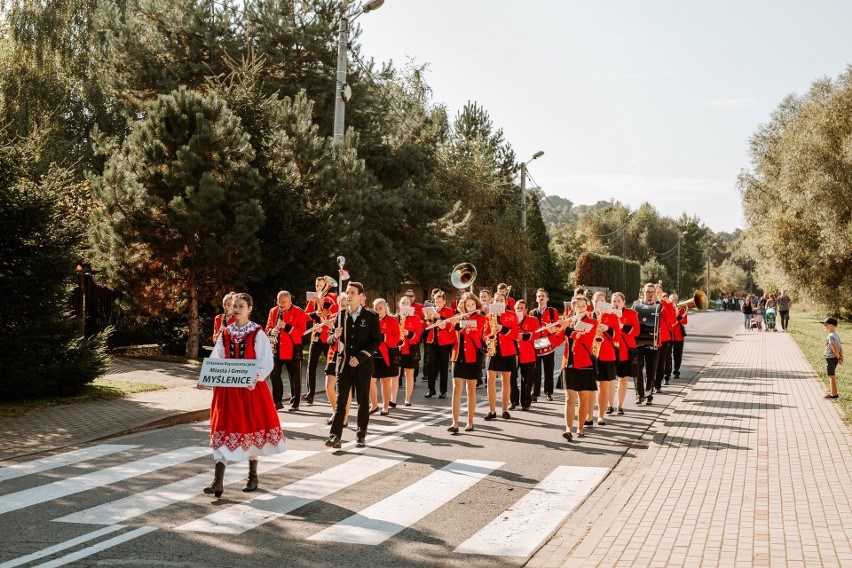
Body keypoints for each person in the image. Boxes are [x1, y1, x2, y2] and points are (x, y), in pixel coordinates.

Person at [201, 293, 285, 497]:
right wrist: (207, 377)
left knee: (251, 429)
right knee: (221, 429)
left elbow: (266, 362)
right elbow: (217, 357)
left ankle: (252, 476)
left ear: (249, 309)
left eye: (241, 306)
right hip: (227, 391)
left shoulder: (257, 333)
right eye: (234, 306)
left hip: (250, 391)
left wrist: (255, 379)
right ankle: (218, 481)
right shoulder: (226, 332)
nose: (236, 309)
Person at [325, 282, 382, 449]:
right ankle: (335, 436)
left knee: (363, 401)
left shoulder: (371, 316)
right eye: (347, 292)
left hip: (363, 366)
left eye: (352, 293)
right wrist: (334, 337)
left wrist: (361, 357)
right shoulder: (340, 315)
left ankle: (360, 435)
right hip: (343, 366)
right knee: (340, 402)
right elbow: (329, 340)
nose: (348, 296)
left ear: (361, 296)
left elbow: (376, 341)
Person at [560, 295, 598, 441]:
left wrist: (567, 330)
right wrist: (551, 332)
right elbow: (559, 338)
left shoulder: (592, 322)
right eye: (578, 306)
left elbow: (585, 338)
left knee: (583, 399)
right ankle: (568, 429)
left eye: (583, 306)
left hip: (585, 364)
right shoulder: (569, 321)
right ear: (573, 308)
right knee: (570, 398)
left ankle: (580, 428)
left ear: (587, 307)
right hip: (569, 364)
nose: (581, 309)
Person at [447, 293, 487, 433]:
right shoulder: (459, 318)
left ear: (476, 305)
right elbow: (451, 337)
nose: (470, 308)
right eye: (467, 305)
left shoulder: (480, 318)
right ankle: (455, 422)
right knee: (456, 388)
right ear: (463, 306)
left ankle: (470, 422)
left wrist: (458, 325)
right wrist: (445, 325)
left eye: (472, 305)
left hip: (473, 356)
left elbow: (474, 333)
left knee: (471, 389)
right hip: (458, 356)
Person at [265, 291, 307, 411]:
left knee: (294, 377)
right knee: (274, 375)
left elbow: (302, 332)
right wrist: (271, 331)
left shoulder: (299, 312)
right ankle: (277, 402)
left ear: (289, 301)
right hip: (277, 348)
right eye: (279, 301)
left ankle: (295, 403)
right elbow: (267, 327)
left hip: (293, 348)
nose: (281, 304)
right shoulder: (273, 311)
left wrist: (287, 327)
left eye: (283, 302)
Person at [483, 292, 519, 421]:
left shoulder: (512, 315)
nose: (498, 302)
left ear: (505, 302)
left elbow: (515, 335)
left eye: (501, 300)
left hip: (508, 351)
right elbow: (485, 333)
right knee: (490, 380)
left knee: (506, 381)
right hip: (493, 350)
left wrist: (502, 328)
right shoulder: (488, 316)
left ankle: (504, 409)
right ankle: (492, 410)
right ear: (493, 302)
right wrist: (487, 339)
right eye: (496, 300)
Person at [304, 276, 338, 404]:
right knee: (311, 365)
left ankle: (333, 392)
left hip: (328, 336)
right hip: (316, 335)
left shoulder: (333, 297)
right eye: (317, 286)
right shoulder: (313, 299)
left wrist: (325, 310)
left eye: (321, 286)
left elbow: (336, 313)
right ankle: (310, 394)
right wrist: (314, 314)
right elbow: (305, 315)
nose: (319, 288)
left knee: (331, 365)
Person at [609, 292, 639, 415]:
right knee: (610, 380)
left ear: (623, 302)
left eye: (618, 301)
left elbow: (636, 331)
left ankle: (619, 406)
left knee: (623, 379)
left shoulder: (631, 313)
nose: (616, 303)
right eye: (614, 301)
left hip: (625, 352)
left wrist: (623, 327)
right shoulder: (606, 314)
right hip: (610, 351)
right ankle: (610, 405)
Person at [531, 288, 563, 402]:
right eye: (539, 296)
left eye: (543, 296)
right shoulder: (532, 312)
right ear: (536, 298)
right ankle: (535, 393)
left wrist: (551, 329)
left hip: (549, 343)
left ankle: (549, 392)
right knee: (536, 370)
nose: (541, 298)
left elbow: (558, 328)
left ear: (547, 298)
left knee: (549, 370)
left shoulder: (552, 311)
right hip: (536, 344)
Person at [370, 298, 401, 415]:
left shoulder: (392, 320)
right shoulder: (370, 320)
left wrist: (384, 337)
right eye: (376, 309)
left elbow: (397, 338)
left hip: (385, 355)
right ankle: (374, 405)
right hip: (372, 354)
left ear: (385, 308)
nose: (378, 311)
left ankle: (386, 407)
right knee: (370, 381)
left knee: (385, 381)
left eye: (380, 308)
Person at [633, 283, 662, 405]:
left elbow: (670, 320)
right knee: (637, 369)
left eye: (652, 292)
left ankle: (649, 394)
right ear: (643, 292)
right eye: (647, 292)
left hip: (653, 341)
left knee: (651, 369)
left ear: (655, 293)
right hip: (637, 342)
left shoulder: (659, 307)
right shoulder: (636, 306)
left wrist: (662, 304)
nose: (649, 294)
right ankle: (639, 395)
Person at [423, 290, 454, 399]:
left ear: (444, 301)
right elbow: (426, 325)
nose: (438, 304)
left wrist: (439, 316)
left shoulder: (449, 311)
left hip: (444, 341)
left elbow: (450, 323)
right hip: (432, 340)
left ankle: (443, 391)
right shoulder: (432, 310)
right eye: (436, 302)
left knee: (443, 366)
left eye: (440, 302)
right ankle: (431, 389)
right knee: (429, 364)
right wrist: (427, 320)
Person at [514, 299, 540, 411]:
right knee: (511, 379)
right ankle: (513, 401)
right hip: (513, 352)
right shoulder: (511, 319)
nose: (519, 310)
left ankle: (526, 402)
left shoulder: (533, 320)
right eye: (517, 308)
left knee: (527, 380)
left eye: (521, 308)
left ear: (526, 310)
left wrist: (525, 336)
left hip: (528, 353)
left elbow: (538, 334)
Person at [398, 295, 423, 406]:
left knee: (409, 374)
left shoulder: (416, 317)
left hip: (411, 349)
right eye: (403, 303)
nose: (405, 305)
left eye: (407, 303)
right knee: (395, 374)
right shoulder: (396, 318)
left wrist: (409, 333)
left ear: (410, 305)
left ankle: (407, 398)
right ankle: (392, 398)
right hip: (398, 349)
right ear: (400, 305)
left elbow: (418, 336)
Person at [823, 318, 843, 399]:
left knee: (831, 376)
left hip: (830, 358)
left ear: (831, 325)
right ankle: (832, 392)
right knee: (831, 375)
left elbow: (834, 348)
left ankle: (834, 395)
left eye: (825, 324)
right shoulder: (836, 334)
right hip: (834, 358)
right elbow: (840, 347)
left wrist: (839, 357)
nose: (824, 326)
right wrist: (841, 356)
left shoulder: (830, 336)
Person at [670, 293, 688, 379]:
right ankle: (667, 372)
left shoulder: (681, 309)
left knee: (678, 354)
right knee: (667, 355)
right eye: (672, 299)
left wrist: (679, 315)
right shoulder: (667, 309)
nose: (674, 301)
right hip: (669, 335)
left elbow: (684, 322)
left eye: (675, 300)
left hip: (678, 336)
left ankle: (676, 370)